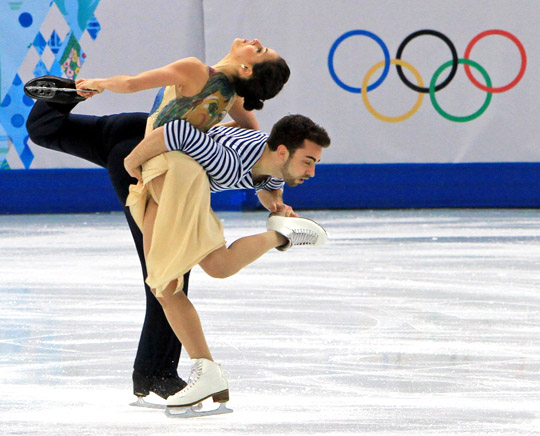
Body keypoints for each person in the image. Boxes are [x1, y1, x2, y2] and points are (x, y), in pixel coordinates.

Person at [24, 36, 290, 402]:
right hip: (141, 141)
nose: (257, 42)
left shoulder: (198, 70)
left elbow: (133, 83)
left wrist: (97, 84)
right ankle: (157, 372)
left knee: (166, 271)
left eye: (260, 51)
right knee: (167, 272)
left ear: (246, 69)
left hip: (143, 151)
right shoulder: (231, 92)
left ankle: (155, 370)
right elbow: (251, 139)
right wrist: (266, 187)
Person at [121, 114, 331, 409]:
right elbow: (177, 130)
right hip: (172, 176)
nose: (311, 171)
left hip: (175, 182)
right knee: (175, 282)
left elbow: (269, 184)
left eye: (315, 163)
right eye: (307, 161)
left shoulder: (272, 162)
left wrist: (275, 204)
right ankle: (206, 370)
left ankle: (206, 369)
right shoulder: (228, 162)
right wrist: (130, 162)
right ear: (282, 151)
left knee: (173, 284)